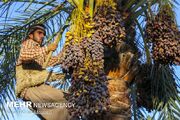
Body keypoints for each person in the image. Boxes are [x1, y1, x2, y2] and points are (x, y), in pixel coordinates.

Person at [15, 24, 70, 120]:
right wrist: (47, 48)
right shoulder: (29, 43)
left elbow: (57, 60)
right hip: (31, 89)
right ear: (31, 35)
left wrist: (67, 46)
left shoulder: (40, 53)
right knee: (68, 98)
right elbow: (25, 56)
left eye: (43, 34)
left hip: (36, 91)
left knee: (63, 111)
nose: (42, 36)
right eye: (39, 33)